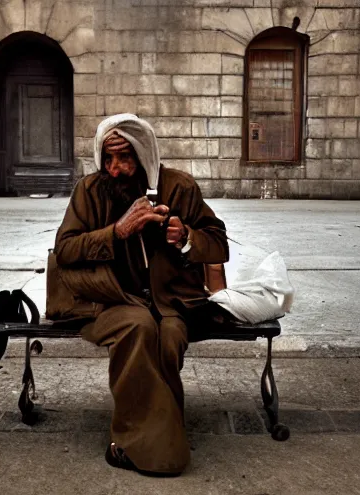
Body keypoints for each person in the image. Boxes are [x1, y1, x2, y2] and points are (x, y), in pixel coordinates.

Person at [50, 113, 229, 476]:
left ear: (145, 155)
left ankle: (157, 433)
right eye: (108, 158)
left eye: (125, 157)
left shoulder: (179, 187)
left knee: (169, 336)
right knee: (138, 328)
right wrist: (116, 232)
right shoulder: (89, 191)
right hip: (108, 301)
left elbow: (218, 244)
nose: (115, 169)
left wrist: (186, 237)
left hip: (170, 303)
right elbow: (65, 250)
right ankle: (152, 448)